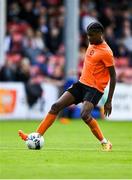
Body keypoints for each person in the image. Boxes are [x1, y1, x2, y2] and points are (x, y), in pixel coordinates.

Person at [18, 22, 116, 151]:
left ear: (100, 34)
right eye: (88, 35)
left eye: (91, 35)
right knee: (56, 106)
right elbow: (92, 67)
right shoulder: (91, 44)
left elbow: (113, 76)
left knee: (84, 115)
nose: (89, 38)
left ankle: (105, 142)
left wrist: (108, 101)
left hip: (95, 89)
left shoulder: (107, 52)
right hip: (81, 84)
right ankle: (35, 136)